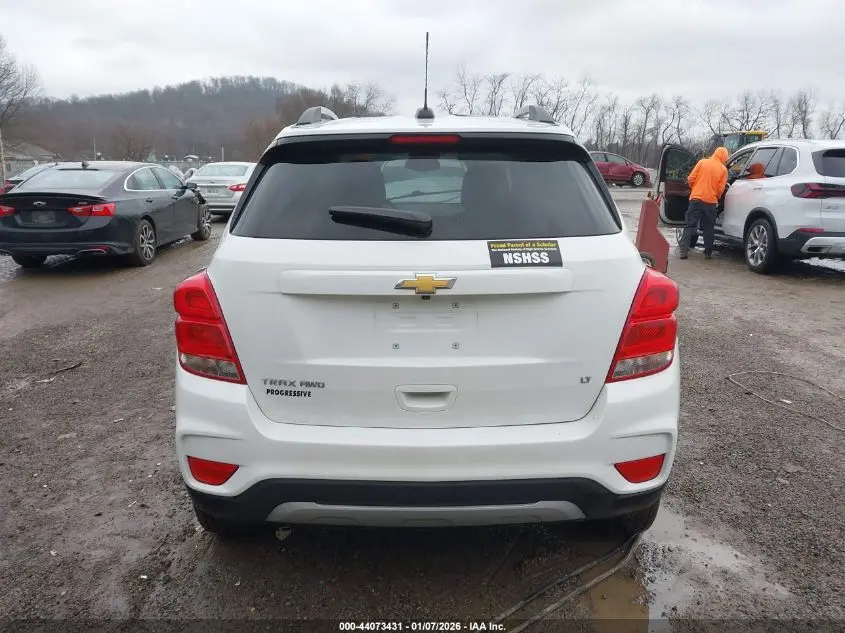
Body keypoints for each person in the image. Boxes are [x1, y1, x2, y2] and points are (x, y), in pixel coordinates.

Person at [679, 146, 729, 260]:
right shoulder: (723, 169)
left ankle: (684, 251)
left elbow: (691, 178)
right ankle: (708, 253)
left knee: (690, 225)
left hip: (695, 199)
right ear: (724, 157)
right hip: (710, 202)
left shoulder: (702, 162)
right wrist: (716, 196)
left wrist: (694, 189)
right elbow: (721, 189)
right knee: (708, 227)